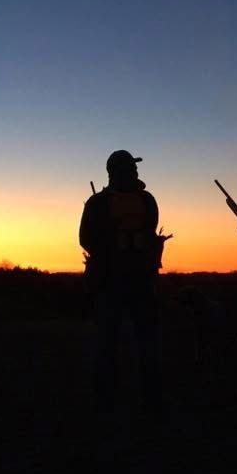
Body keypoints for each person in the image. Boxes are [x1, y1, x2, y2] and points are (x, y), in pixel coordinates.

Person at [79, 150, 163, 413]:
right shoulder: (142, 200)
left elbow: (86, 240)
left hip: (133, 279)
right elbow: (87, 239)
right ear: (115, 172)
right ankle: (116, 397)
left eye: (133, 168)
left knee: (130, 338)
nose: (134, 172)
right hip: (117, 279)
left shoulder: (106, 202)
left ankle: (131, 396)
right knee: (115, 339)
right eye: (130, 168)